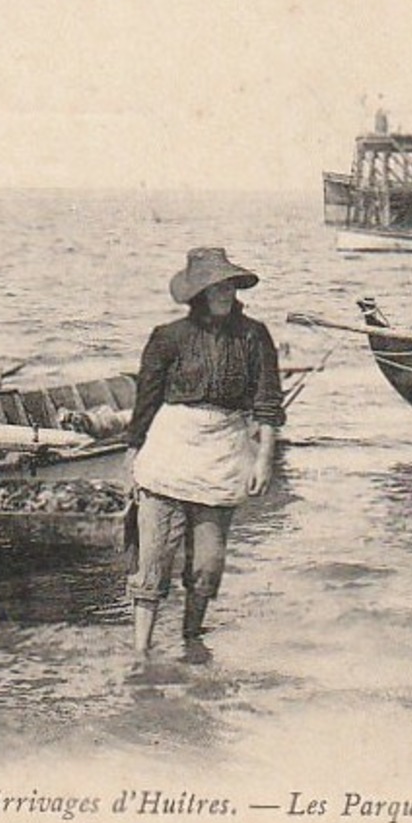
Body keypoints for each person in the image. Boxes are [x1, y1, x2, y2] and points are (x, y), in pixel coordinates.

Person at [124, 247, 286, 663]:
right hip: (169, 450)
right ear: (198, 291)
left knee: (208, 564)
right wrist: (132, 452)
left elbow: (268, 403)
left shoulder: (254, 336)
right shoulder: (168, 337)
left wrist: (264, 456)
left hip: (223, 452)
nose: (224, 292)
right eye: (215, 286)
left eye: (229, 284)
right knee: (153, 557)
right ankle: (141, 652)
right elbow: (146, 401)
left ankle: (191, 641)